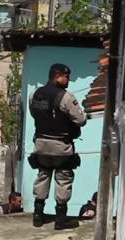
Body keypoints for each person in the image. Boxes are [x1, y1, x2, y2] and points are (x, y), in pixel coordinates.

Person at [29, 63, 87, 230]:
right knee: (63, 178)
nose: (69, 80)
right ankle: (60, 219)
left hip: (40, 144)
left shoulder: (35, 94)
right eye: (66, 76)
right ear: (57, 77)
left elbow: (35, 114)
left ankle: (38, 215)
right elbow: (80, 120)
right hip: (61, 146)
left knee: (42, 175)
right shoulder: (66, 97)